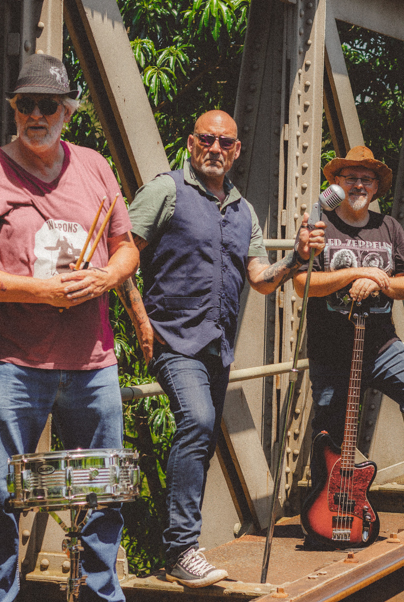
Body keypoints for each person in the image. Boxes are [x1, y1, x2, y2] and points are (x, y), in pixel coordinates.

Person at [0, 53, 138, 602]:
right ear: (13, 109)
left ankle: (100, 594)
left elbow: (125, 248)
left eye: (47, 105)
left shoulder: (94, 167)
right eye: (25, 104)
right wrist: (40, 291)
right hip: (11, 364)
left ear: (67, 112)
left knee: (104, 492)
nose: (36, 115)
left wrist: (105, 278)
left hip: (93, 362)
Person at [117, 110, 324, 587]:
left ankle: (183, 545)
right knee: (197, 421)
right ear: (192, 144)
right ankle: (181, 549)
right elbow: (122, 253)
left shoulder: (243, 210)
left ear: (236, 151)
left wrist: (297, 258)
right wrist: (141, 321)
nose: (215, 148)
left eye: (225, 142)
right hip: (173, 340)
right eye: (206, 139)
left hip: (217, 346)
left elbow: (262, 280)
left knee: (203, 439)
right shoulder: (166, 191)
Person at [293, 145, 404, 518]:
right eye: (351, 178)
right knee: (330, 426)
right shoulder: (320, 226)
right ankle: (326, 505)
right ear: (336, 183)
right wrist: (358, 273)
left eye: (367, 179)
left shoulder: (388, 227)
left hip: (381, 346)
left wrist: (380, 283)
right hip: (332, 349)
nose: (359, 185)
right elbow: (302, 284)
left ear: (376, 188)